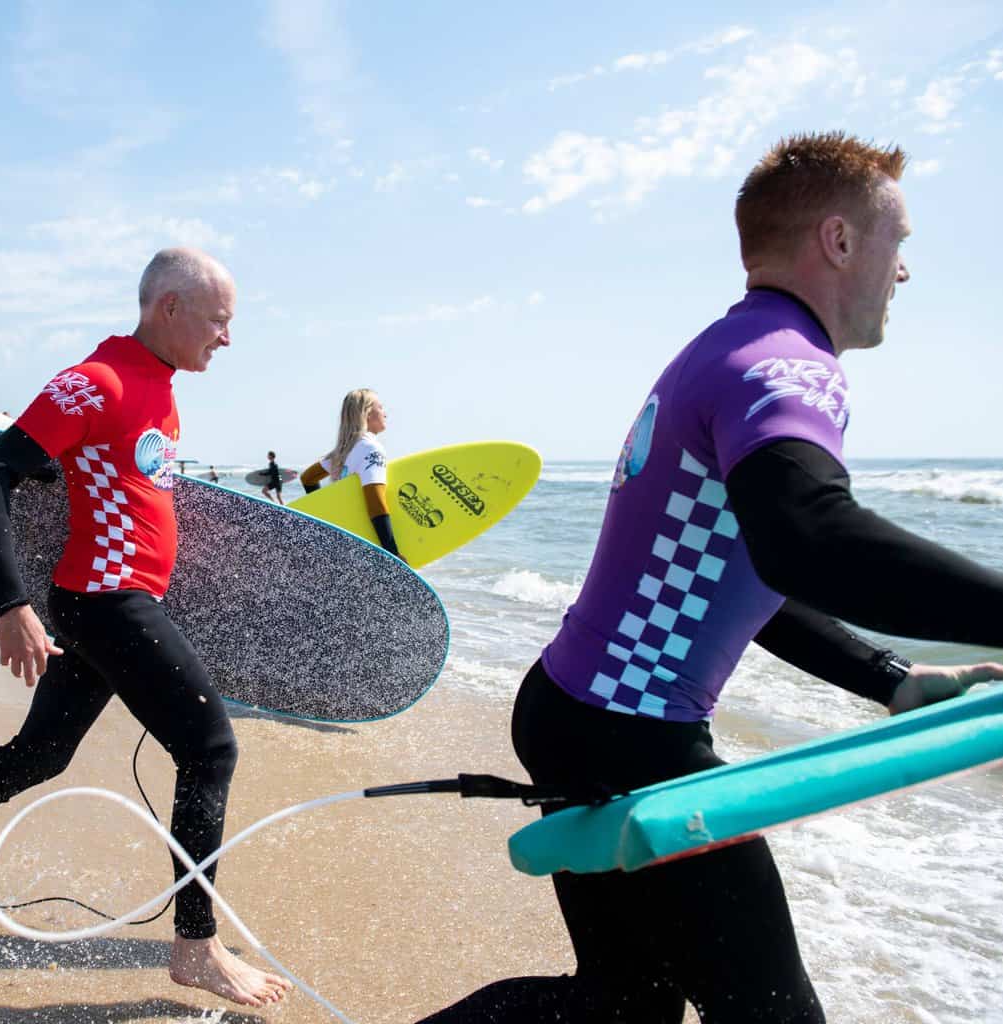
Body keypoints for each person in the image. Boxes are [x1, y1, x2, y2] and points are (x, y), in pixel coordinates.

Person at [418, 133, 1003, 1023]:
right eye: (901, 242)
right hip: (629, 735)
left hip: (579, 711)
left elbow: (743, 570)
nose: (906, 271)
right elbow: (810, 537)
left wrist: (892, 677)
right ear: (839, 242)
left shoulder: (723, 350)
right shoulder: (787, 367)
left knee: (624, 1002)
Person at [0, 248, 291, 1008]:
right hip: (104, 599)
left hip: (113, 598)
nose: (226, 338)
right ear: (169, 307)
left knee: (40, 753)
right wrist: (13, 605)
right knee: (210, 748)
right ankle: (195, 946)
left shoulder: (160, 385)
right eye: (218, 321)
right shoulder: (97, 381)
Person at [299, 389, 399, 558]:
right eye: (380, 407)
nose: (385, 413)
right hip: (366, 546)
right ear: (367, 413)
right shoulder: (371, 449)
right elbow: (375, 502)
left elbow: (308, 478)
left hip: (344, 541)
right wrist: (392, 555)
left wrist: (323, 515)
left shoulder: (345, 449)